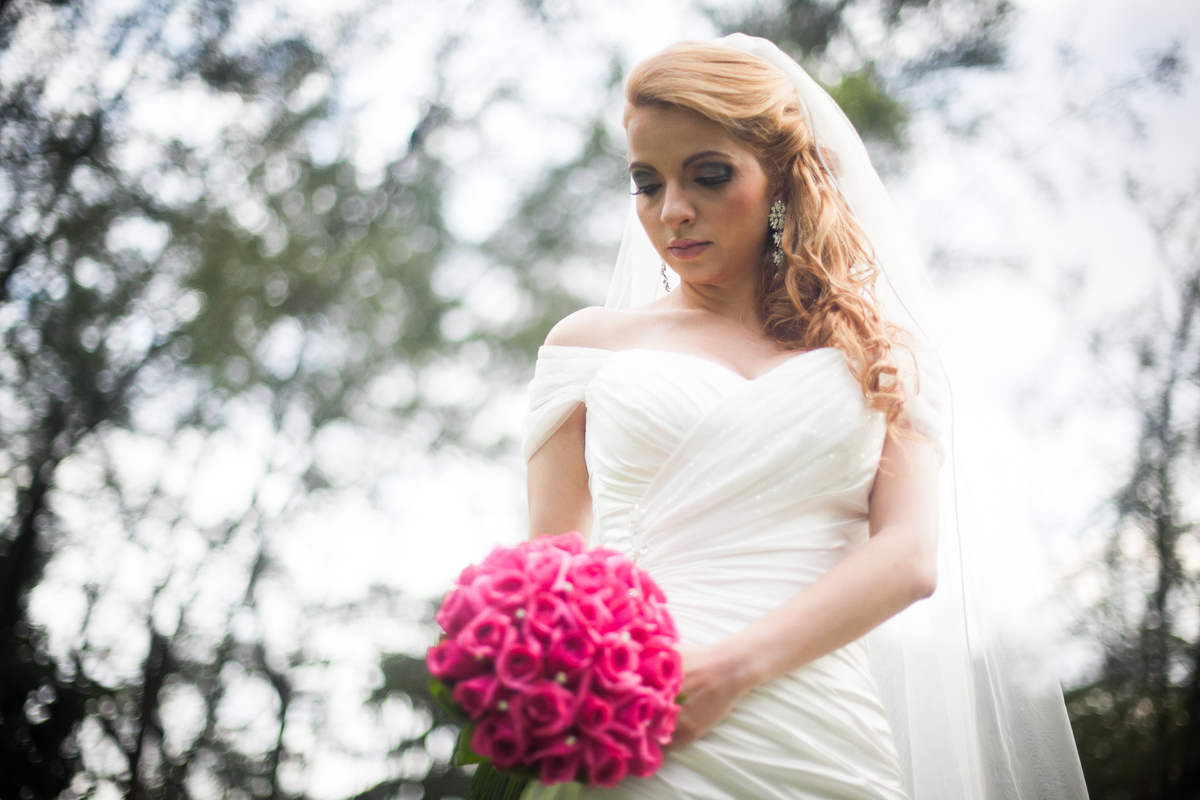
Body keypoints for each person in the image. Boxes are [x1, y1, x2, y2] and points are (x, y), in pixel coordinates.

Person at [521, 34, 1087, 800]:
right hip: (644, 726)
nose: (673, 211)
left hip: (818, 736)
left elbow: (910, 558)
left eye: (709, 175)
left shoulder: (881, 356)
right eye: (646, 184)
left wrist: (729, 671)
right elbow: (550, 572)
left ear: (781, 176)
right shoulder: (588, 347)